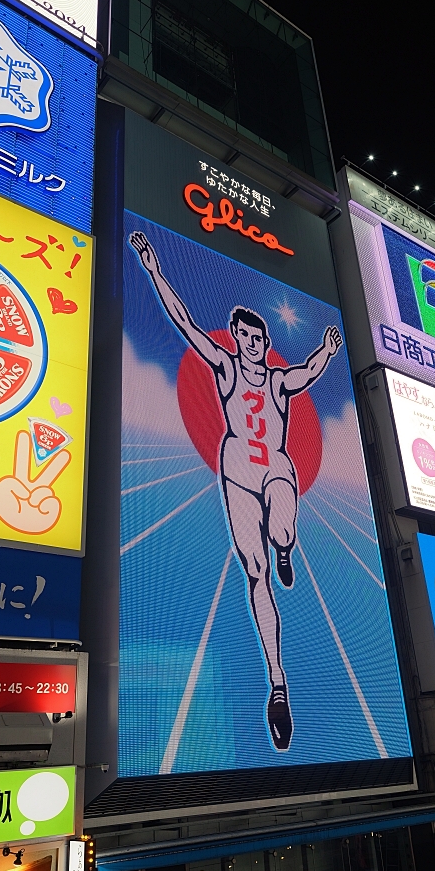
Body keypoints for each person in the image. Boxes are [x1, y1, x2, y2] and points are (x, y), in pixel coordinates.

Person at [131, 230, 342, 751]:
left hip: (275, 467)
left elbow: (310, 372)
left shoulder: (276, 380)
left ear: (263, 342)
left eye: (257, 339)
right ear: (235, 338)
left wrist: (327, 351)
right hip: (237, 472)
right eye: (244, 337)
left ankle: (286, 544)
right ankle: (277, 685)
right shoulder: (224, 369)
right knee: (255, 569)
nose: (251, 345)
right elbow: (183, 325)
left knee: (283, 530)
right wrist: (155, 270)